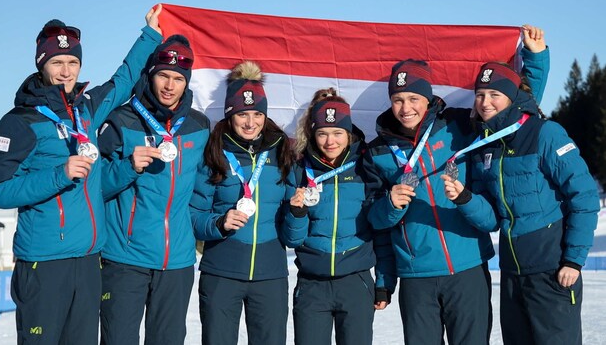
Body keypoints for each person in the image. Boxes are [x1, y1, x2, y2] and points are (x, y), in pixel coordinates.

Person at [0, 7, 163, 345]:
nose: (66, 71)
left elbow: (123, 80)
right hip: (44, 264)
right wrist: (59, 174)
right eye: (57, 63)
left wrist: (150, 35)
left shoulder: (86, 109)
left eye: (72, 62)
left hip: (88, 261)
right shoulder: (20, 121)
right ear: (41, 64)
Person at [366, 25, 549, 344]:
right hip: (415, 276)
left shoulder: (458, 126)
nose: (405, 108)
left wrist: (535, 58)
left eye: (413, 98)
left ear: (427, 98)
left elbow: (514, 110)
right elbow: (374, 221)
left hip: (468, 270)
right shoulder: (377, 152)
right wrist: (390, 205)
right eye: (397, 100)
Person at [442, 62, 599, 345]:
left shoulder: (545, 133)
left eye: (494, 94)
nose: (485, 102)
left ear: (512, 97)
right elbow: (492, 219)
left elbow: (585, 196)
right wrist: (464, 198)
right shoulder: (483, 146)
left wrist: (573, 261)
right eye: (480, 95)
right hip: (512, 273)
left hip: (552, 270)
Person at [97, 34, 209, 345]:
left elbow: (202, 187)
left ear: (186, 82)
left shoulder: (199, 127)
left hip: (177, 262)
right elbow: (93, 189)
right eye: (163, 75)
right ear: (150, 75)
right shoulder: (120, 121)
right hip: (125, 258)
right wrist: (127, 167)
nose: (169, 85)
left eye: (177, 78)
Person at [189, 61, 295, 345]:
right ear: (229, 114)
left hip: (270, 274)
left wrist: (298, 211)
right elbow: (194, 215)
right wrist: (219, 223)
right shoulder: (213, 152)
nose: (250, 122)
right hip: (221, 272)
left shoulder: (282, 152)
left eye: (257, 114)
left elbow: (292, 226)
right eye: (242, 114)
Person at [281, 89, 395, 345]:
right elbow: (291, 239)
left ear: (348, 134)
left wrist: (384, 283)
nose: (330, 141)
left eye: (337, 133)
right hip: (312, 284)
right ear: (313, 134)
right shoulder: (299, 171)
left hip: (355, 282)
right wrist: (297, 213)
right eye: (322, 133)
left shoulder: (365, 170)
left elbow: (381, 232)